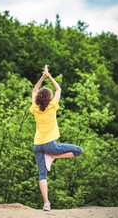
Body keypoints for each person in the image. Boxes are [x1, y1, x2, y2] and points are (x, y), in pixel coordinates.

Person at [29, 65, 82, 211]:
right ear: (49, 98)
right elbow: (59, 89)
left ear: (39, 98)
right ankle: (52, 156)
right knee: (78, 150)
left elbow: (34, 91)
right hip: (50, 145)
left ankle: (46, 203)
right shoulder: (53, 105)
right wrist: (49, 76)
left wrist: (42, 77)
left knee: (42, 175)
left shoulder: (35, 108)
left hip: (37, 145)